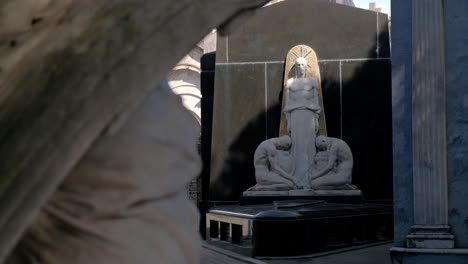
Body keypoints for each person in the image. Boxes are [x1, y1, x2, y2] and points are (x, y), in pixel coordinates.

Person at [283, 57, 321, 186]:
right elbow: (287, 105)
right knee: (297, 144)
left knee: (308, 145)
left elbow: (316, 103)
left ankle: (310, 176)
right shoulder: (289, 82)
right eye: (298, 65)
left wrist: (316, 121)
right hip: (295, 116)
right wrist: (288, 121)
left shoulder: (312, 82)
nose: (300, 67)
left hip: (309, 115)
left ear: (306, 67)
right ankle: (297, 176)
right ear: (295, 67)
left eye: (303, 64)